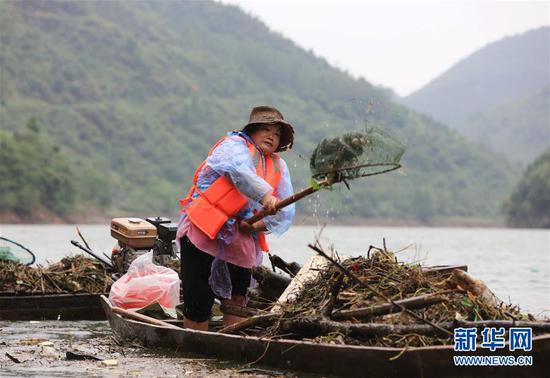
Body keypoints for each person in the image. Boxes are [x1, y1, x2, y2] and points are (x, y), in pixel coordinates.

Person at [176, 106, 295, 331]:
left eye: (277, 133)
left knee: (238, 299)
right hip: (205, 229)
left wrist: (257, 225)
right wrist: (266, 195)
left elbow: (285, 211)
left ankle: (231, 343)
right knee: (198, 297)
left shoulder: (279, 165)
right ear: (252, 131)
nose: (272, 136)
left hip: (240, 239)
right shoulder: (233, 146)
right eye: (266, 129)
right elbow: (237, 171)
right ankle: (194, 347)